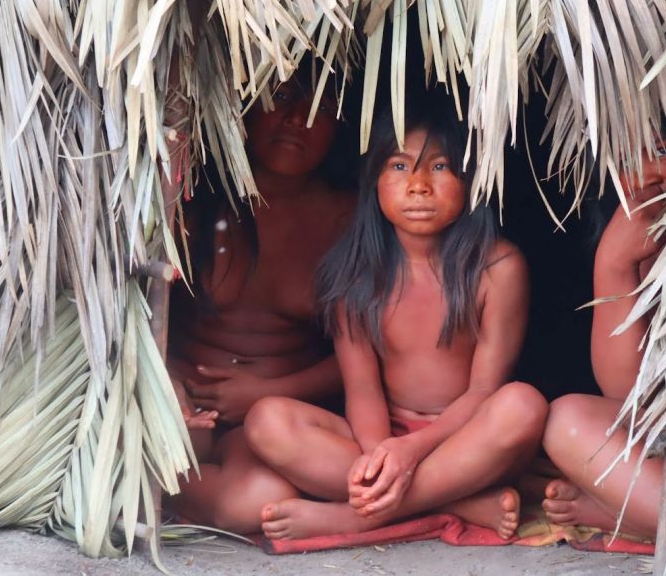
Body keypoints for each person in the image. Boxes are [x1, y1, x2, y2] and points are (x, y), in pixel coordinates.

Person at [242, 112, 548, 541]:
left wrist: (411, 451)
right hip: (384, 435)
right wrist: (383, 457)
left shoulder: (497, 267)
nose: (418, 185)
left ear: (471, 180)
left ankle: (355, 517)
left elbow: (484, 390)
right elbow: (363, 390)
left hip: (468, 438)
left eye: (440, 166)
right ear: (373, 181)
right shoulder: (355, 274)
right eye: (400, 166)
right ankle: (449, 501)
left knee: (524, 405)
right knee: (266, 420)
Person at [167, 62, 356, 532]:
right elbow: (138, 306)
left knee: (259, 502)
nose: (296, 118)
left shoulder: (348, 221)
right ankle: (157, 478)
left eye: (319, 106)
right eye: (283, 96)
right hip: (179, 400)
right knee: (161, 439)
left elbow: (367, 358)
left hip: (269, 420)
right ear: (246, 106)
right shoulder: (193, 198)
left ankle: (166, 492)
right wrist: (166, 378)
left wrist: (266, 393)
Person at [540, 137, 666, 537]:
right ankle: (646, 512)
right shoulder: (639, 241)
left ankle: (645, 517)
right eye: (627, 160)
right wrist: (614, 265)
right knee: (566, 421)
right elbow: (627, 400)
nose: (645, 173)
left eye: (662, 152)